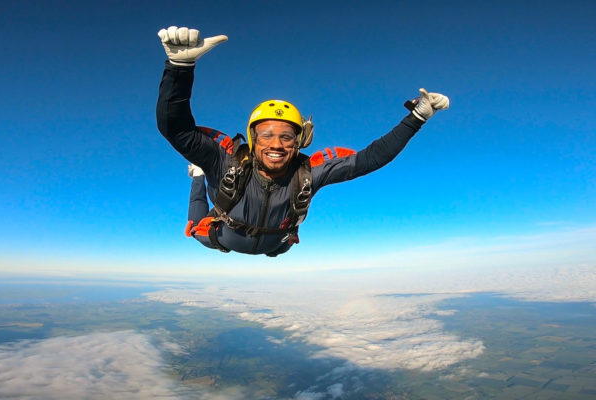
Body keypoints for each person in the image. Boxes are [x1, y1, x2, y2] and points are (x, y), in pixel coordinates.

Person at [156, 26, 449, 257]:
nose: (276, 144)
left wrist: (417, 118)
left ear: (299, 142)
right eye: (266, 135)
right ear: (252, 140)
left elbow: (371, 159)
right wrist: (179, 67)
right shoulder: (225, 162)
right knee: (195, 227)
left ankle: (202, 175)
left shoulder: (308, 173)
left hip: (277, 244)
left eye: (286, 137)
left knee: (277, 247)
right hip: (222, 236)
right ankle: (197, 175)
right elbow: (176, 128)